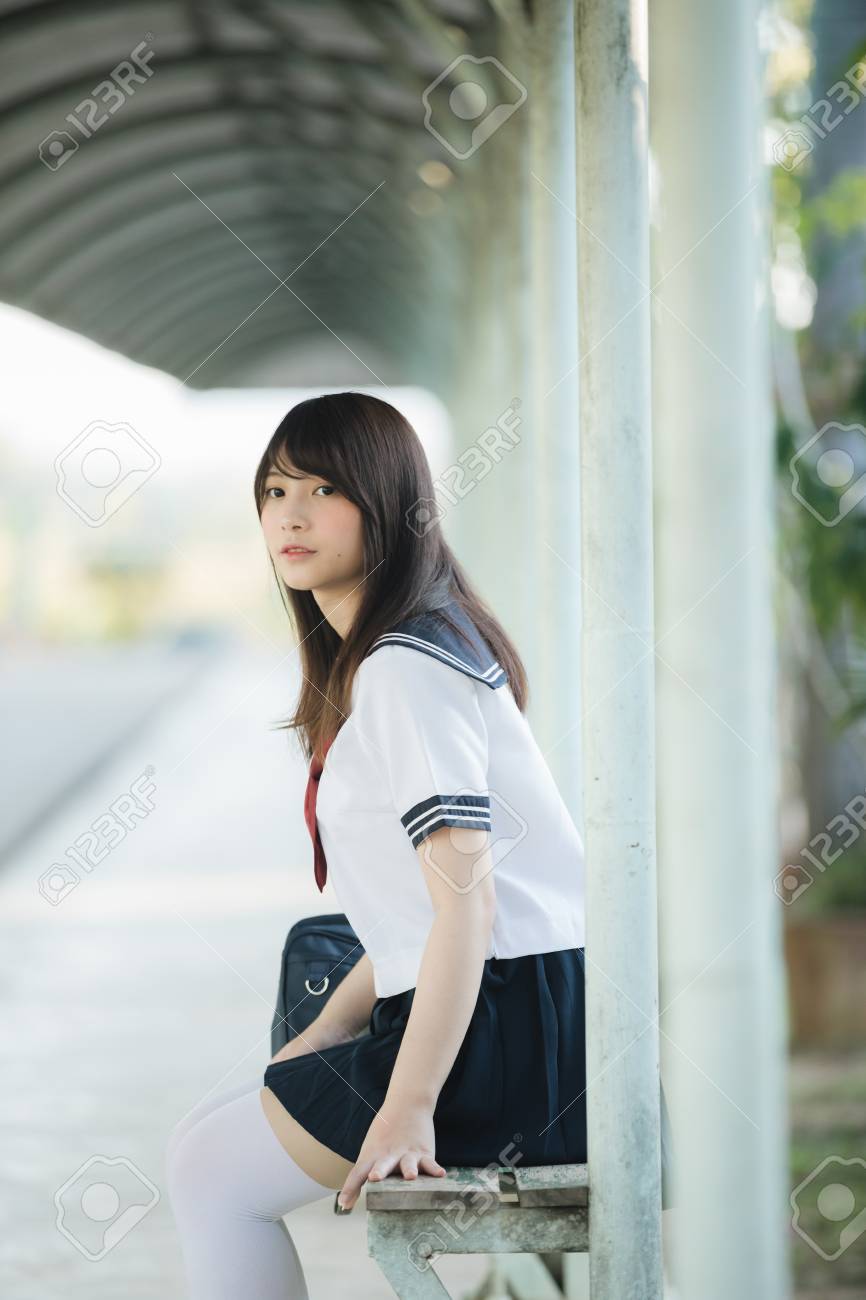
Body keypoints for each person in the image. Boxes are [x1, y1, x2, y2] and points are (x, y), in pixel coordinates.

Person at [166, 391, 668, 1299]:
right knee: (207, 1139)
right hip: (517, 1011)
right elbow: (425, 909)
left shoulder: (402, 667)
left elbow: (468, 907)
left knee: (212, 1174)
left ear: (390, 504)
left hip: (506, 1032)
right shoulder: (407, 650)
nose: (292, 514)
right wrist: (330, 1024)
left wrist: (407, 1108)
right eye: (275, 491)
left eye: (324, 487)